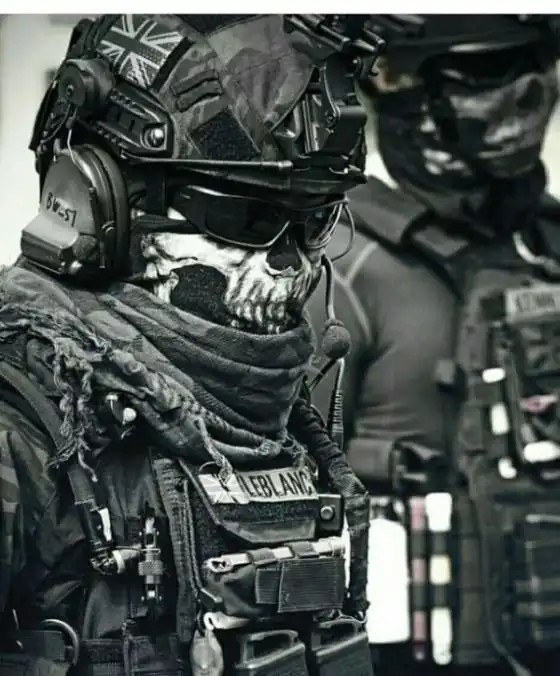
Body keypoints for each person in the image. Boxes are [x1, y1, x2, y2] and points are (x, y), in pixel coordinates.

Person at [0, 14, 385, 676]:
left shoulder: (277, 404)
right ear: (95, 202)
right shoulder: (25, 416)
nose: (291, 264)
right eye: (249, 219)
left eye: (314, 221)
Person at [307, 14, 560, 676]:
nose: (521, 92)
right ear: (400, 87)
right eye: (481, 72)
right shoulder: (341, 266)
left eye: (526, 65)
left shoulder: (546, 244)